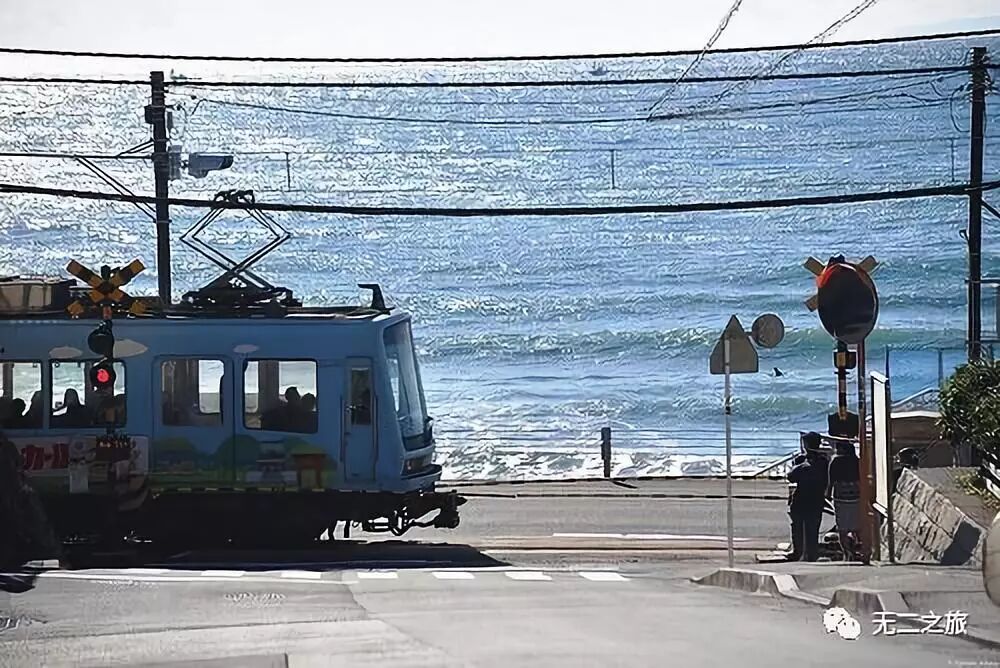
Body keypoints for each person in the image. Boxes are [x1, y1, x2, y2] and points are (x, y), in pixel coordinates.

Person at [787, 432, 829, 562]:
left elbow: (824, 479)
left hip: (814, 497)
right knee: (797, 526)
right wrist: (801, 466)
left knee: (812, 527)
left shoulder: (822, 461)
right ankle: (798, 551)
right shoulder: (801, 460)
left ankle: (811, 554)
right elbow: (791, 476)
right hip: (802, 497)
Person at [828, 440, 861, 561]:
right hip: (857, 496)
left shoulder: (836, 461)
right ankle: (859, 549)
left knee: (842, 528)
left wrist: (827, 493)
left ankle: (847, 552)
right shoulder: (856, 461)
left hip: (840, 497)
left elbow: (831, 480)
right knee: (857, 525)